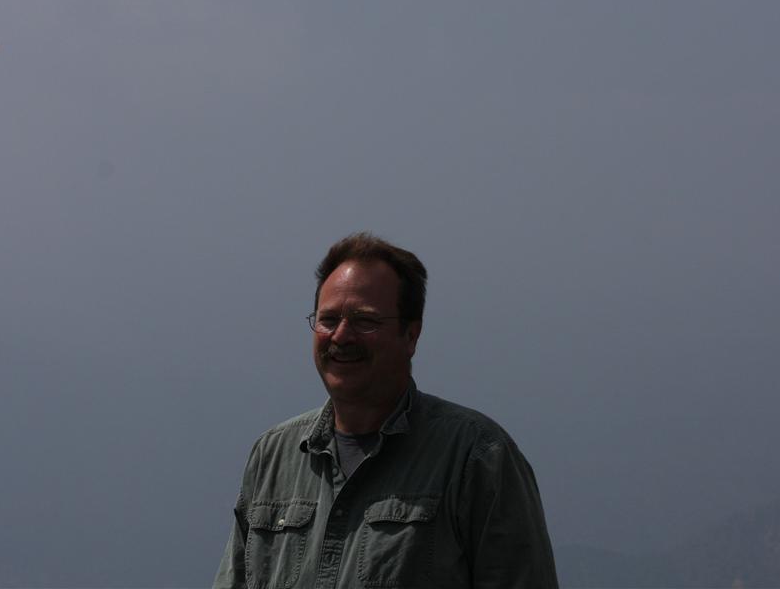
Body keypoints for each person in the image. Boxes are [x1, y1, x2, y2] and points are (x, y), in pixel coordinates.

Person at [213, 232, 559, 589]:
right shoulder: (272, 457)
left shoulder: (477, 457)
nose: (341, 336)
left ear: (411, 336)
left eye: (364, 321)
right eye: (328, 319)